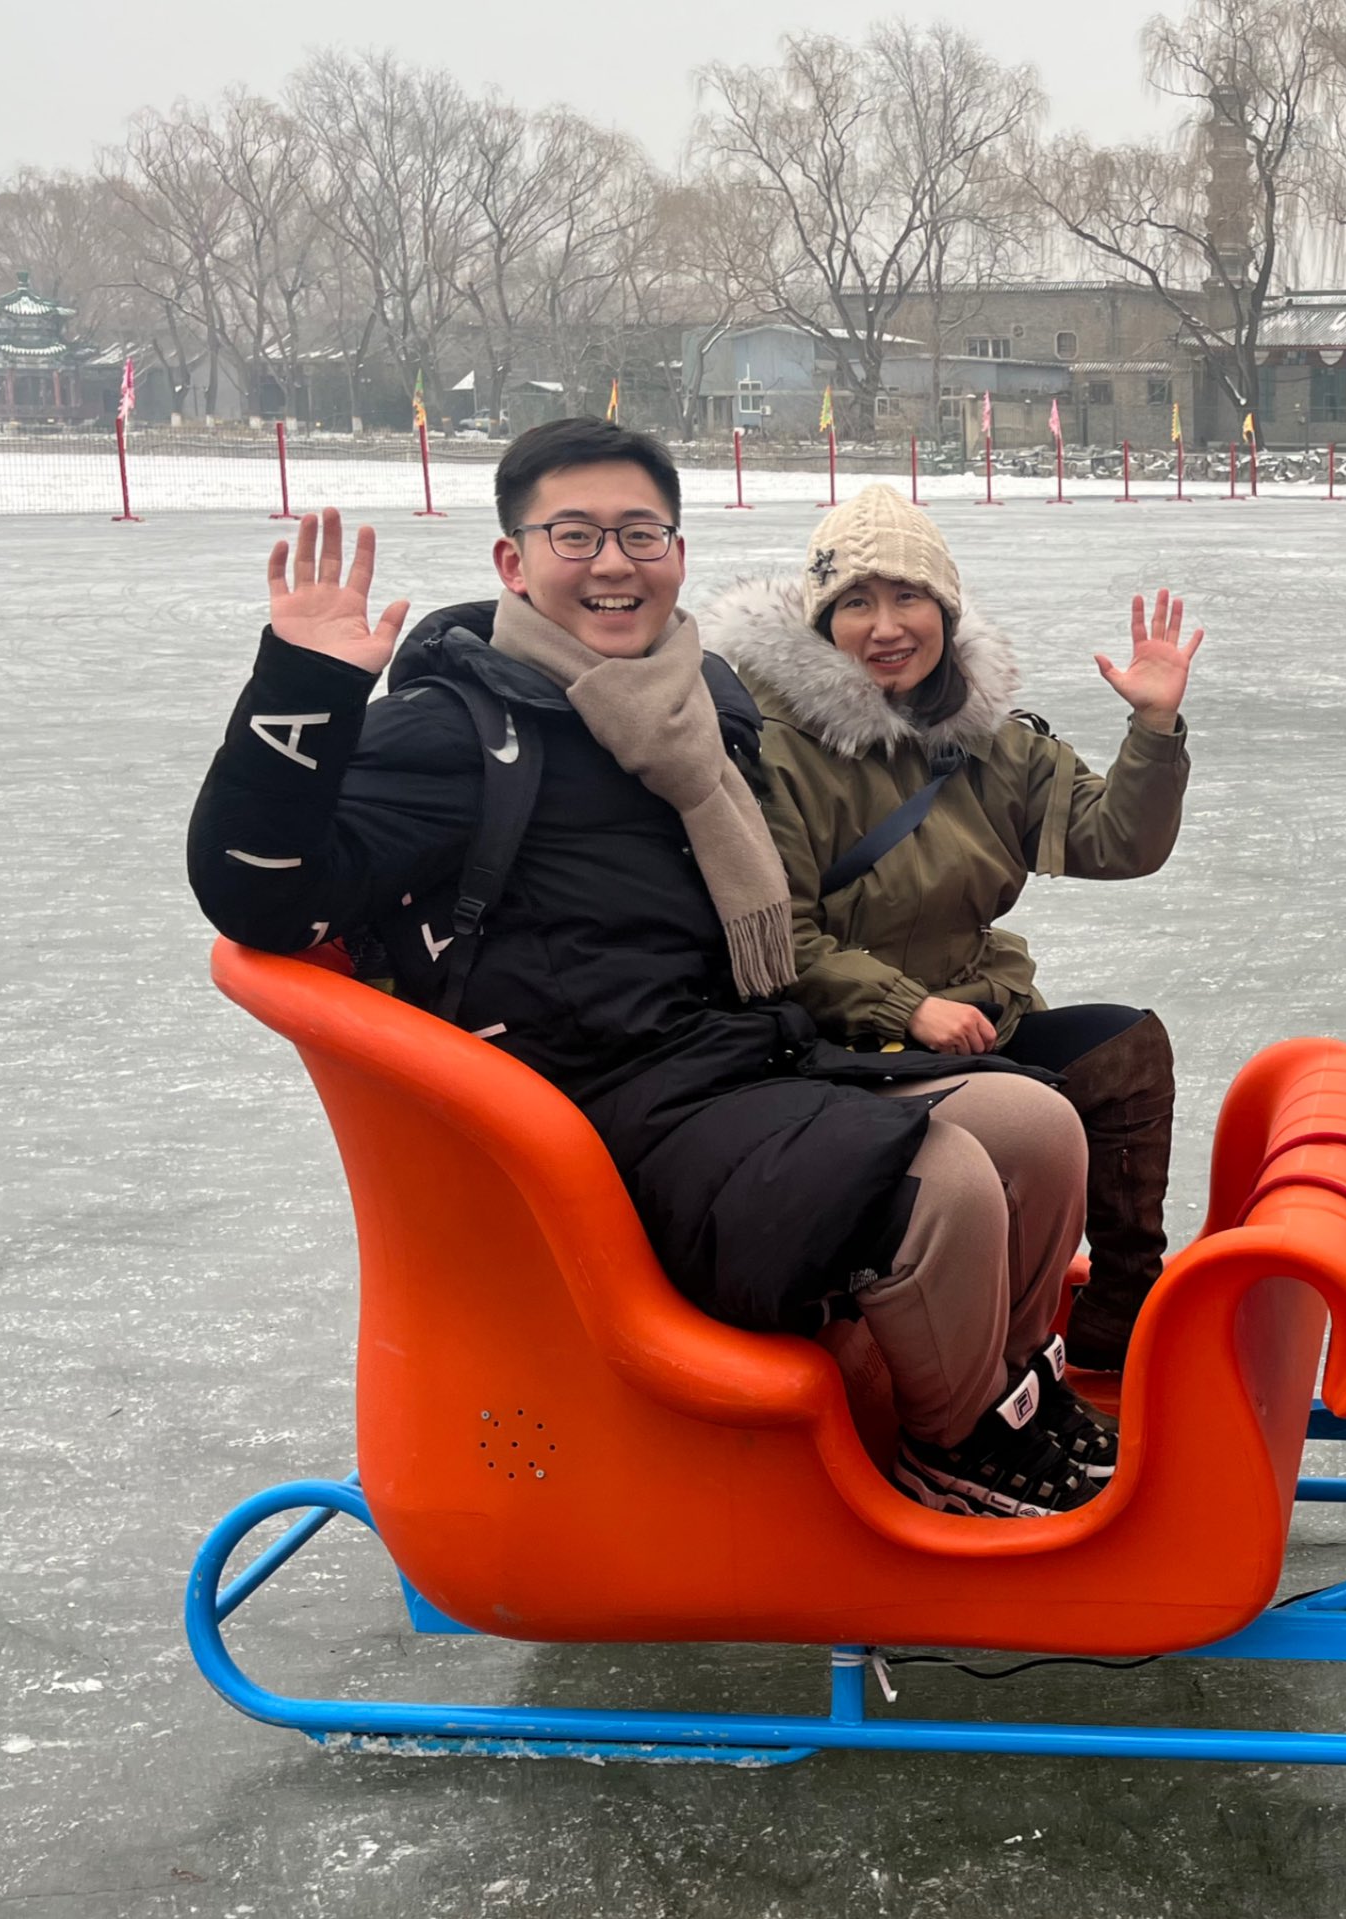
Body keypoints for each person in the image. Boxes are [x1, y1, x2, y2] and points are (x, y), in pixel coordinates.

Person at [186, 421, 1111, 1518]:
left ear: (676, 551)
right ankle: (955, 1447)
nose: (613, 562)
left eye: (640, 531)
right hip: (596, 1118)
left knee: (1036, 1123)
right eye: (574, 535)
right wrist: (305, 690)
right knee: (942, 1182)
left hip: (732, 1062)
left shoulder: (698, 704)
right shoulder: (457, 732)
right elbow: (258, 892)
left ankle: (1004, 1390)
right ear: (511, 562)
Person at [702, 485, 1198, 1378]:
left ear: (945, 608)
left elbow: (1119, 840)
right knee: (1025, 1120)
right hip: (845, 1046)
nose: (886, 625)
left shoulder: (989, 742)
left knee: (1126, 1048)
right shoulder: (774, 751)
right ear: (822, 622)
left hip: (972, 1014)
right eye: (855, 602)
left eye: (908, 596)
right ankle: (974, 1369)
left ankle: (1120, 1320)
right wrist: (908, 1005)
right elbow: (777, 939)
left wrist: (1153, 727)